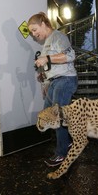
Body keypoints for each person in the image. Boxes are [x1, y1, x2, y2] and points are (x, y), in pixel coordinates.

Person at [28, 12, 78, 167]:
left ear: (43, 23)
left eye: (35, 30)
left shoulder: (58, 37)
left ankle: (61, 154)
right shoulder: (47, 43)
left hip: (66, 80)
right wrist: (44, 79)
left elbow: (71, 55)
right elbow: (49, 66)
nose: (34, 34)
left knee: (55, 117)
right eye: (31, 32)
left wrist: (47, 58)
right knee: (47, 113)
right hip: (55, 82)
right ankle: (68, 143)